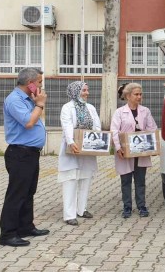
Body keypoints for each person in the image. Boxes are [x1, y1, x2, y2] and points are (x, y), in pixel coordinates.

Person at [0, 67, 49, 247]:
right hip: (19, 153)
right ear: (30, 84)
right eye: (40, 82)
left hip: (30, 153)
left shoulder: (29, 99)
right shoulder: (14, 100)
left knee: (29, 192)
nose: (41, 86)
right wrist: (40, 104)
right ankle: (8, 234)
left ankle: (26, 226)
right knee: (17, 194)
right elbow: (28, 122)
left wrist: (37, 103)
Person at [111, 83, 157, 219]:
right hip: (124, 152)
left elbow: (152, 128)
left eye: (140, 94)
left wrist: (151, 145)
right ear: (128, 96)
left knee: (140, 180)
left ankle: (142, 206)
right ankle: (127, 207)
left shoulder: (145, 111)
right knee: (125, 180)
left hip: (140, 150)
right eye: (136, 94)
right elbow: (114, 131)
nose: (139, 97)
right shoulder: (119, 112)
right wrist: (118, 147)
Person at [58, 81, 100, 226]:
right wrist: (71, 142)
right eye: (84, 90)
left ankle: (81, 209)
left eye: (87, 90)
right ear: (75, 92)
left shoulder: (90, 107)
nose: (87, 93)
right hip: (73, 148)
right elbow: (67, 125)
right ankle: (69, 215)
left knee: (86, 178)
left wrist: (99, 142)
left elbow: (97, 126)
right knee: (71, 179)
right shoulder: (67, 107)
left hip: (88, 147)